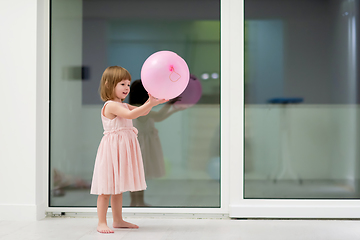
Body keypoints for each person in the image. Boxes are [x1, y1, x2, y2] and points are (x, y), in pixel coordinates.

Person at [90, 66, 167, 234]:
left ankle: (118, 220)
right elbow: (132, 115)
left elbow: (142, 112)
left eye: (128, 84)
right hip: (112, 150)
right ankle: (101, 222)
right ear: (109, 84)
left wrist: (152, 102)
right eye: (122, 84)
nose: (127, 88)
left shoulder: (123, 105)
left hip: (121, 149)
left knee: (118, 188)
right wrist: (150, 104)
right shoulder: (110, 105)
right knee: (106, 189)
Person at [129, 80, 183, 206]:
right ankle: (136, 202)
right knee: (138, 176)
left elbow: (158, 117)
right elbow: (157, 116)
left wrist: (171, 107)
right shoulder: (139, 110)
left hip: (142, 143)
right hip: (141, 145)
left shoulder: (136, 108)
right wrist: (169, 105)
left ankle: (138, 202)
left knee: (139, 176)